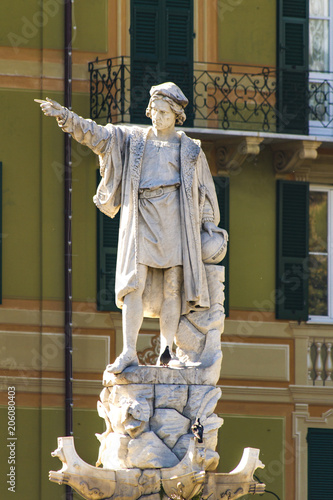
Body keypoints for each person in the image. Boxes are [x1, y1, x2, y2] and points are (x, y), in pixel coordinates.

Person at [36, 82, 227, 374]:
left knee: (173, 289)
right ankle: (128, 351)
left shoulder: (190, 150)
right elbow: (97, 135)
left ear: (176, 114)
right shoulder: (134, 140)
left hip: (176, 222)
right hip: (142, 219)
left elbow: (202, 192)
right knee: (132, 286)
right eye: (154, 110)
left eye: (164, 112)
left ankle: (167, 352)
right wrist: (66, 117)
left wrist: (207, 225)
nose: (158, 116)